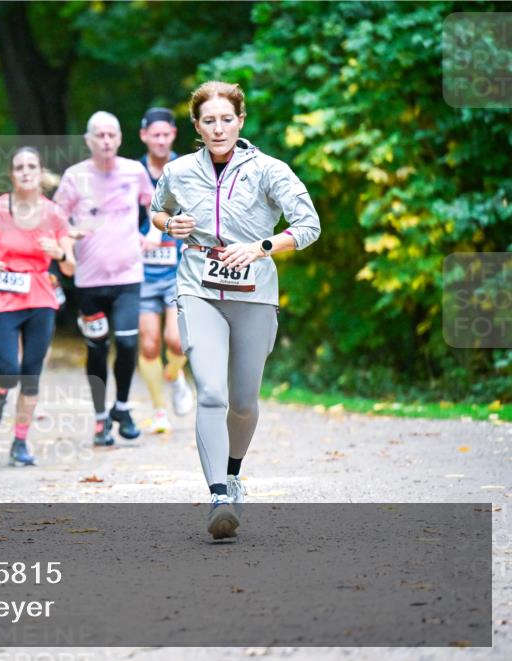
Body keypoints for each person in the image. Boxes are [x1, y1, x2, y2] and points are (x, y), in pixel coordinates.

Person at [150, 81, 320, 539]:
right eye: (209, 120)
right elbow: (156, 211)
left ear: (241, 121)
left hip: (254, 293)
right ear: (197, 126)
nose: (218, 128)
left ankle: (233, 472)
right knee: (210, 392)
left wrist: (263, 247)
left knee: (243, 403)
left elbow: (309, 225)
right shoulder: (181, 171)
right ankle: (219, 495)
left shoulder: (269, 170)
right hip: (198, 287)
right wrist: (172, 224)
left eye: (227, 119)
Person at [0, 147, 75, 466]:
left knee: (31, 374)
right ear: (11, 174)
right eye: (19, 167)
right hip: (3, 294)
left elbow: (70, 267)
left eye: (31, 166)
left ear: (40, 173)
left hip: (41, 295)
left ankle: (20, 442)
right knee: (8, 370)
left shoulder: (54, 214)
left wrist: (58, 253)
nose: (26, 172)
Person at [54, 111, 155, 446]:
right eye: (100, 135)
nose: (107, 141)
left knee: (127, 343)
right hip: (89, 281)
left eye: (112, 135)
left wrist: (153, 232)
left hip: (128, 275)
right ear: (89, 140)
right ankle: (100, 419)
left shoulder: (134, 171)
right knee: (97, 349)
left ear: (120, 138)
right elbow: (56, 222)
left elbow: (157, 207)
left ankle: (122, 408)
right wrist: (66, 251)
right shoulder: (74, 176)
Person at [135, 107, 194, 434]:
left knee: (176, 340)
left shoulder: (186, 168)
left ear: (173, 135)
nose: (159, 140)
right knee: (148, 344)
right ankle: (159, 410)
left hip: (178, 268)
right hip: (141, 271)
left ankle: (174, 375)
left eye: (165, 134)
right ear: (144, 136)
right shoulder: (132, 172)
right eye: (153, 135)